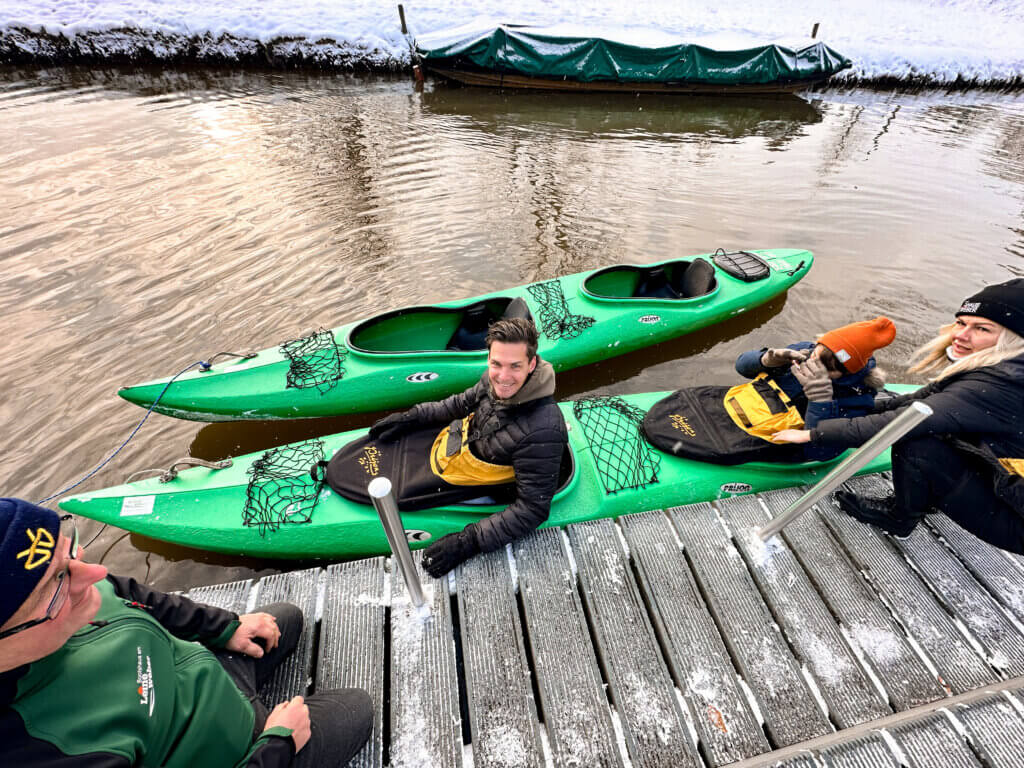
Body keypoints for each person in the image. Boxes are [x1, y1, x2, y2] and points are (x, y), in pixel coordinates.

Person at [0, 497, 373, 768]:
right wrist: (276, 747)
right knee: (358, 708)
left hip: (204, 673)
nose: (94, 575)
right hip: (239, 749)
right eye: (55, 584)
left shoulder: (75, 586)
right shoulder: (42, 751)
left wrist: (225, 628)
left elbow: (137, 596)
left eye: (70, 554)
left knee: (283, 619)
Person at [773, 279, 1024, 553]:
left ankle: (898, 518)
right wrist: (859, 411)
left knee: (914, 438)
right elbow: (920, 399)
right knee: (929, 428)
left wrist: (813, 433)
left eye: (982, 329)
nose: (960, 336)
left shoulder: (999, 385)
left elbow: (906, 420)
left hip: (1017, 520)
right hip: (1008, 479)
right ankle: (926, 497)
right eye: (961, 323)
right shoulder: (1006, 369)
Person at [367, 317, 567, 577]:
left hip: (492, 486)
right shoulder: (492, 380)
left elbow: (532, 509)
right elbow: (459, 404)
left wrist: (469, 541)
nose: (503, 377)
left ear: (531, 364)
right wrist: (413, 416)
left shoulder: (543, 431)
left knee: (409, 497)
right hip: (467, 450)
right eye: (496, 364)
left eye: (515, 367)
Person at [734, 316, 897, 461]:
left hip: (780, 440)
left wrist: (820, 399)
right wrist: (765, 360)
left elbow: (820, 453)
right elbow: (741, 367)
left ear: (845, 372)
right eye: (815, 356)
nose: (813, 364)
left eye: (826, 367)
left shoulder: (859, 396)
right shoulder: (804, 350)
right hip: (746, 406)